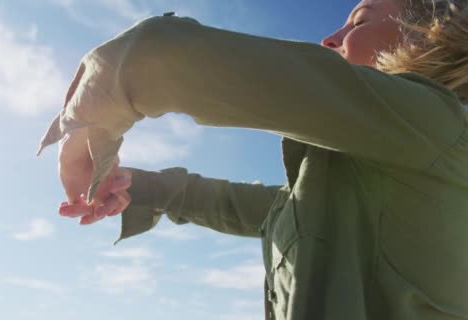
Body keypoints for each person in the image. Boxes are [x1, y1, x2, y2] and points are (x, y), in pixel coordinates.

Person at [38, 0, 468, 319]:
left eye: (359, 19)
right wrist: (134, 185)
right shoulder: (356, 175)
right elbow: (234, 204)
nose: (329, 37)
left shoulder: (435, 126)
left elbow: (157, 57)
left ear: (432, 28)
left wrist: (85, 131)